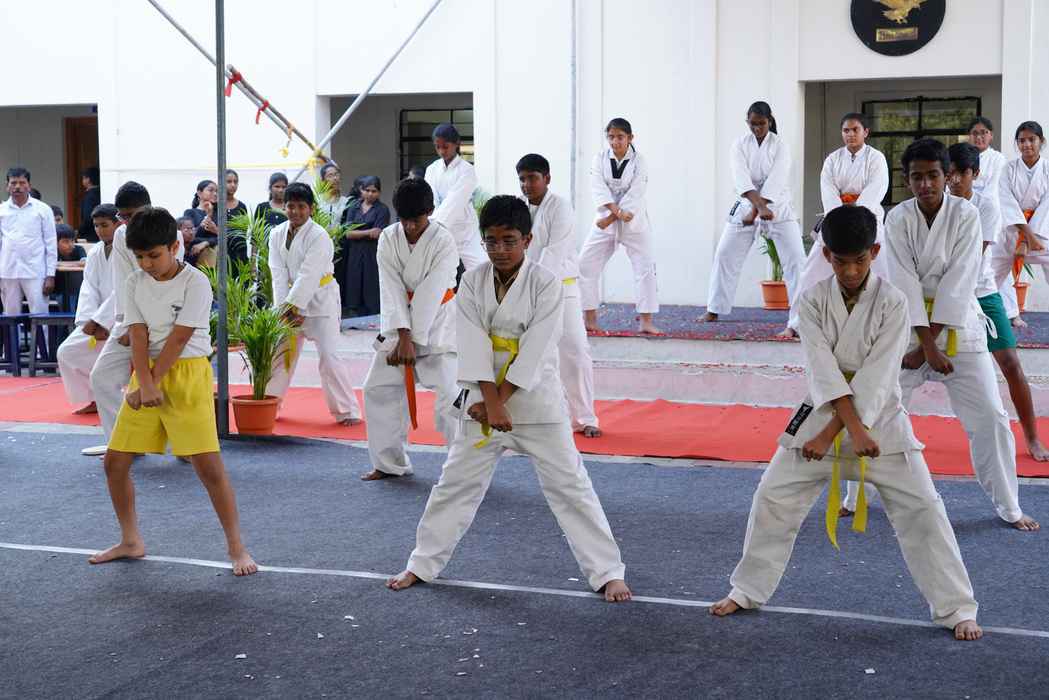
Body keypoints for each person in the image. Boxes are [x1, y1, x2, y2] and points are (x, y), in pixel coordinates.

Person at [708, 205, 983, 641]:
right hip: (819, 413)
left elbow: (878, 376)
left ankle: (957, 608)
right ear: (827, 256)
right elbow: (821, 370)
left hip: (880, 423)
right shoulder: (812, 300)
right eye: (840, 261)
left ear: (874, 252)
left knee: (924, 509)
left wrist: (842, 432)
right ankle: (747, 590)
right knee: (772, 497)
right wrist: (837, 429)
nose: (851, 271)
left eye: (859, 260)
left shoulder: (894, 302)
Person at [385, 195, 631, 602]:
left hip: (535, 404)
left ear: (527, 240)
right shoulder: (472, 281)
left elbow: (536, 349)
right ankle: (422, 563)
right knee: (454, 485)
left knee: (571, 487)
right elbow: (472, 341)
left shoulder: (546, 283)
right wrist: (489, 402)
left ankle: (607, 571)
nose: (499, 249)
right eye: (491, 241)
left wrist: (499, 401)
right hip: (482, 404)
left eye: (509, 241)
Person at [87, 206, 257, 576]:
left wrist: (151, 383)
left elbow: (179, 340)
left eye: (154, 255)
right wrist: (145, 384)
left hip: (187, 373)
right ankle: (131, 540)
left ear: (174, 247)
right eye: (140, 257)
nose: (147, 264)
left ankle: (237, 547)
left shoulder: (196, 282)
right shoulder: (134, 282)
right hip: (147, 372)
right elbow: (138, 335)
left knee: (208, 467)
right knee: (114, 463)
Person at [886, 137, 1038, 531]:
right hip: (909, 330)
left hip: (959, 327)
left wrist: (930, 345)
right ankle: (855, 496)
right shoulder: (897, 218)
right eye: (916, 177)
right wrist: (924, 345)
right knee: (878, 406)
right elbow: (903, 280)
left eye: (933, 175)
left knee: (991, 416)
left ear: (946, 175)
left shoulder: (967, 215)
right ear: (906, 179)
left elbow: (959, 279)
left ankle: (1010, 506)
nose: (925, 184)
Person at [947, 143, 1049, 462]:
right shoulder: (936, 204)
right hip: (942, 295)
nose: (953, 180)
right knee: (908, 367)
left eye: (961, 174)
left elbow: (970, 257)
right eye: (949, 173)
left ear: (975, 174)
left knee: (1011, 363)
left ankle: (1032, 438)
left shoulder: (987, 206)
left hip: (981, 292)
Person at [360, 177, 459, 481]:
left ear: (430, 211)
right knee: (378, 388)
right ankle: (389, 463)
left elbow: (431, 291)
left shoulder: (444, 240)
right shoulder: (389, 238)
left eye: (416, 219)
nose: (409, 226)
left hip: (438, 322)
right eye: (404, 219)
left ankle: (464, 468)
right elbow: (389, 287)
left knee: (451, 396)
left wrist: (412, 338)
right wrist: (403, 336)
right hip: (398, 322)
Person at [85, 182, 185, 457]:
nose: (127, 221)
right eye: (123, 216)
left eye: (131, 215)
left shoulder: (170, 232)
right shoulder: (121, 236)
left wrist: (150, 325)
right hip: (131, 318)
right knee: (101, 377)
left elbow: (169, 281)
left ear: (148, 207)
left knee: (171, 386)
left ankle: (187, 446)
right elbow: (123, 283)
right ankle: (123, 444)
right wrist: (124, 323)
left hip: (167, 321)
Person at [781, 113, 889, 337]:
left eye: (855, 130)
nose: (850, 134)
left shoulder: (876, 158)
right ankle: (796, 323)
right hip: (836, 217)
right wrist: (841, 214)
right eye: (846, 130)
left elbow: (876, 188)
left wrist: (857, 213)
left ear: (866, 132)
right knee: (812, 269)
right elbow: (828, 190)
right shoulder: (832, 159)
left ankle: (888, 321)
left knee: (883, 266)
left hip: (868, 218)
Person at [518, 153, 601, 437]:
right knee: (530, 353)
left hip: (562, 287)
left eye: (532, 178)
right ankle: (532, 417)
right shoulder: (519, 207)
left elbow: (554, 252)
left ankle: (585, 418)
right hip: (526, 288)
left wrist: (530, 287)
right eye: (522, 179)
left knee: (575, 350)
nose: (526, 185)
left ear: (547, 179)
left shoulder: (561, 207)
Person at [265, 182, 362, 425]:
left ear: (311, 209)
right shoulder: (276, 234)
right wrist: (283, 309)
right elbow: (277, 274)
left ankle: (347, 411)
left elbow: (309, 275)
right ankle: (269, 404)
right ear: (284, 207)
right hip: (289, 303)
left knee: (329, 357)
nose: (295, 211)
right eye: (291, 206)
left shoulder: (319, 236)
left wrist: (294, 306)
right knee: (280, 356)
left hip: (321, 301)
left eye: (301, 206)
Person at [704, 102, 805, 324]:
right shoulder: (739, 145)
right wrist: (757, 209)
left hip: (778, 207)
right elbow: (741, 178)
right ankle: (714, 308)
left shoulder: (780, 146)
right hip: (746, 204)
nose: (757, 128)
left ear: (770, 121)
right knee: (724, 254)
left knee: (796, 260)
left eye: (761, 123)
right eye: (752, 124)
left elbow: (776, 180)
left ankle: (799, 317)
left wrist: (759, 209)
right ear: (747, 122)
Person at [578, 118, 661, 335]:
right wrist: (615, 213)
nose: (615, 141)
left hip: (634, 221)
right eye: (611, 137)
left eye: (620, 137)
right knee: (585, 265)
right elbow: (598, 188)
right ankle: (590, 319)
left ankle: (646, 322)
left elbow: (636, 193)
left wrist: (613, 217)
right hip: (605, 217)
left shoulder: (639, 161)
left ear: (630, 138)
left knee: (645, 268)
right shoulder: (599, 159)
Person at [57, 204, 119, 415]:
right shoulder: (95, 253)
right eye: (96, 226)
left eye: (105, 225)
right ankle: (93, 398)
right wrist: (88, 321)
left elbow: (123, 288)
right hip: (96, 318)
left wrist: (103, 321)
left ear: (117, 224)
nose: (100, 230)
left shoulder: (129, 250)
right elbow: (89, 287)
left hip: (122, 318)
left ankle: (111, 396)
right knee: (67, 352)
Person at [988, 121, 1049, 332]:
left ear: (1041, 141)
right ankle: (977, 319)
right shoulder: (1008, 169)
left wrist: (1031, 239)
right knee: (988, 276)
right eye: (1022, 140)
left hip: (1043, 233)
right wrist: (1026, 236)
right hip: (1012, 231)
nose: (1027, 144)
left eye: (1032, 139)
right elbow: (1007, 203)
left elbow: (1046, 206)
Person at [968, 117, 1023, 326]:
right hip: (967, 216)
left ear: (991, 135)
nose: (979, 137)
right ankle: (975, 309)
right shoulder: (965, 157)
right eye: (975, 133)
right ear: (969, 136)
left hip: (991, 217)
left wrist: (976, 199)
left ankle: (1012, 312)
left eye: (983, 132)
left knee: (997, 264)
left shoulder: (998, 159)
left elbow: (992, 191)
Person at [424, 123, 487, 272]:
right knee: (441, 274)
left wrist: (434, 224)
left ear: (457, 143)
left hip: (465, 232)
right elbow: (431, 200)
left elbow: (455, 201)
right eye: (437, 147)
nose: (441, 151)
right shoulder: (432, 169)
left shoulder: (467, 170)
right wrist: (432, 225)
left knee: (482, 268)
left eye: (445, 147)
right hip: (440, 232)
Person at [0, 167, 57, 315]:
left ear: (29, 186)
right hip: (7, 272)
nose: (17, 187)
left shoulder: (43, 210)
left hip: (36, 272)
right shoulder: (2, 211)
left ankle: (40, 333)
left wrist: (50, 275)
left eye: (22, 182)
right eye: (13, 183)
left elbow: (51, 243)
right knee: (10, 316)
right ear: (7, 186)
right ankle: (12, 333)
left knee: (40, 316)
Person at [339, 175, 389, 317]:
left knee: (371, 283)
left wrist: (359, 233)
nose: (370, 194)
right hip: (354, 252)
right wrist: (368, 231)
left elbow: (377, 233)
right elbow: (348, 234)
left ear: (379, 192)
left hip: (372, 252)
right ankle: (353, 312)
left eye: (374, 191)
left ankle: (372, 315)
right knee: (353, 282)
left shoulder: (382, 209)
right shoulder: (353, 207)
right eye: (367, 190)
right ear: (361, 190)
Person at [182, 180, 219, 266]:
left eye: (216, 191)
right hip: (196, 258)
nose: (215, 194)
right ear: (199, 193)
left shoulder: (220, 214)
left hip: (217, 260)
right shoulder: (190, 212)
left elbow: (226, 237)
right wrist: (208, 217)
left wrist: (206, 243)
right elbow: (190, 238)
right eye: (211, 190)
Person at [223, 169, 249, 265]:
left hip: (239, 253)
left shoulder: (242, 206)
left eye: (235, 182)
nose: (233, 185)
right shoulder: (215, 205)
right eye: (229, 182)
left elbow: (243, 231)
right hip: (221, 254)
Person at [318, 162, 351, 227]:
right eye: (330, 176)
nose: (335, 178)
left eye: (336, 174)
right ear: (323, 180)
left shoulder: (346, 201)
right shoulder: (317, 200)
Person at [78, 166, 102, 241]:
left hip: (90, 235)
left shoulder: (90, 196)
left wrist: (79, 232)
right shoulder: (101, 192)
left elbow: (87, 218)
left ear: (88, 179)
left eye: (83, 178)